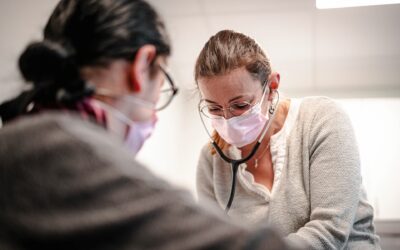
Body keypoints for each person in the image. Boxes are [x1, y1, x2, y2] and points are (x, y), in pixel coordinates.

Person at [0, 1, 292, 249]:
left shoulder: (25, 134)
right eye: (161, 84)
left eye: (240, 106)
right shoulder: (56, 149)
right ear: (142, 66)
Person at [195, 30, 381, 249]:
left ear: (272, 87)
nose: (227, 119)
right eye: (214, 108)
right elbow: (214, 241)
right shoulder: (211, 159)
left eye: (241, 105)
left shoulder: (321, 119)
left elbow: (330, 230)